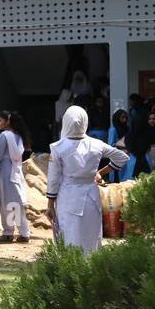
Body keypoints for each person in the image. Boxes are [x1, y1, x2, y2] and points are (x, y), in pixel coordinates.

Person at [47, 106, 129, 253]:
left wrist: (50, 204)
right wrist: (101, 173)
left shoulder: (58, 148)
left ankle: (72, 269)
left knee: (70, 235)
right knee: (91, 235)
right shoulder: (97, 144)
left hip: (68, 197)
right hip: (91, 196)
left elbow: (53, 179)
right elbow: (122, 157)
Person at [0, 111, 32, 242]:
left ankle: (9, 232)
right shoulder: (18, 136)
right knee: (15, 204)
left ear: (7, 121)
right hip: (15, 170)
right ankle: (22, 232)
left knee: (4, 203)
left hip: (4, 170)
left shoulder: (4, 135)